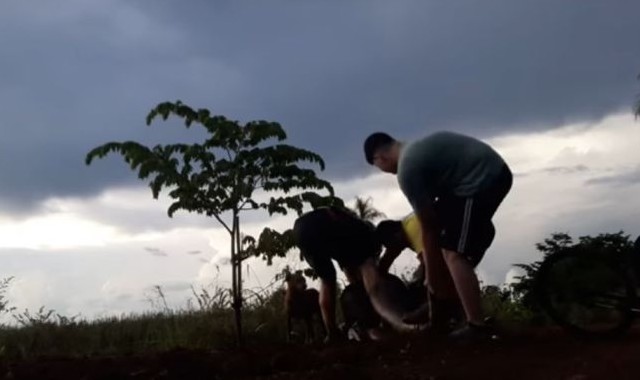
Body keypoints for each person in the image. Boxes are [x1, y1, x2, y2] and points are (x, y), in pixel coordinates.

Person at [364, 131, 513, 341]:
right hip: (481, 178)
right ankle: (445, 304)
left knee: (453, 253)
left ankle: (476, 325)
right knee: (448, 246)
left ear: (380, 158)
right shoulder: (413, 151)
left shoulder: (407, 169)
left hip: (482, 180)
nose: (385, 171)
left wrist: (432, 283)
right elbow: (435, 217)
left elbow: (428, 227)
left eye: (379, 168)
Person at [292, 205, 421, 342]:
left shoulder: (347, 242)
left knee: (327, 279)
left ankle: (332, 333)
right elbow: (373, 285)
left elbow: (354, 281)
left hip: (301, 229)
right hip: (324, 226)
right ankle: (400, 324)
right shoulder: (364, 237)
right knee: (374, 289)